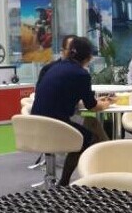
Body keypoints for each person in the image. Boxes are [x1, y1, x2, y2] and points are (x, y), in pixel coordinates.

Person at [31, 37, 113, 186]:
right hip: (55, 124)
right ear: (89, 57)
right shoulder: (81, 74)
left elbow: (63, 96)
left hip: (35, 122)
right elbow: (92, 106)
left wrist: (95, 102)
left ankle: (99, 170)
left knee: (90, 126)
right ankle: (66, 181)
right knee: (86, 138)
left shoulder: (55, 67)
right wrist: (106, 104)